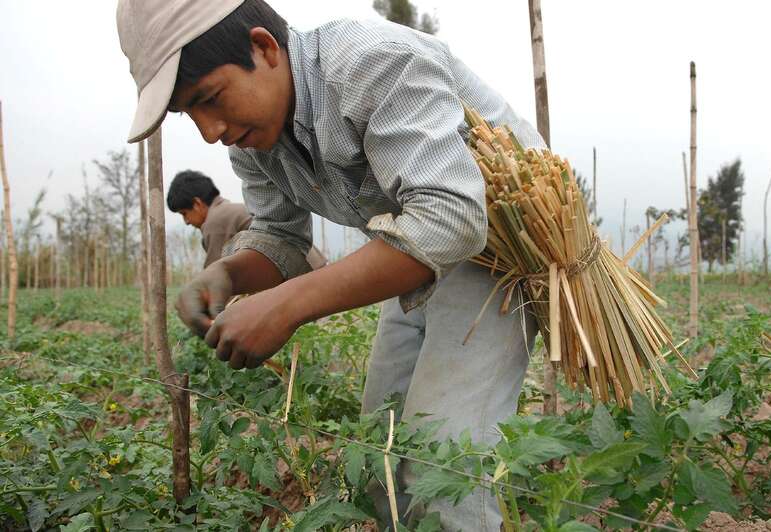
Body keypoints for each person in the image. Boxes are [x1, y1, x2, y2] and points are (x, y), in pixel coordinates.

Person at [117, 1, 543, 529]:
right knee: (379, 449)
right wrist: (226, 273)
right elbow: (279, 237)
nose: (210, 130)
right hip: (408, 255)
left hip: (497, 254)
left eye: (209, 98)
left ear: (263, 48)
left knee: (444, 464)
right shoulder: (253, 140)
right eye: (191, 113)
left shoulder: (369, 62)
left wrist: (287, 307)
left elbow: (451, 217)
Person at [167, 169, 327, 269]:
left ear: (197, 204)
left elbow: (215, 278)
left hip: (301, 273)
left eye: (184, 213)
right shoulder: (226, 211)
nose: (186, 222)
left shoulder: (215, 223)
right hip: (311, 266)